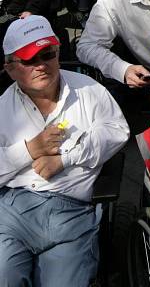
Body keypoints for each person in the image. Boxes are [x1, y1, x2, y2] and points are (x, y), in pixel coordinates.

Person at [0, 15, 129, 287]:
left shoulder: (91, 91)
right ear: (10, 68)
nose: (41, 65)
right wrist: (30, 150)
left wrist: (65, 158)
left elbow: (117, 132)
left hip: (70, 212)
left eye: (47, 54)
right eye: (29, 60)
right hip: (13, 211)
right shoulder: (2, 108)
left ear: (58, 53)